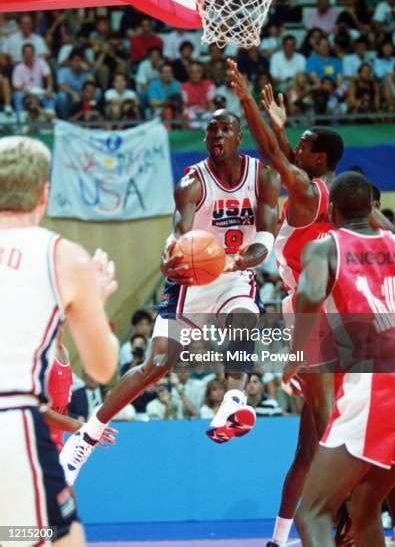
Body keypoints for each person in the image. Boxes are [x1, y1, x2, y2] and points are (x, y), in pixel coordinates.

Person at [59, 108, 281, 484]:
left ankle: (232, 402)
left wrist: (245, 259)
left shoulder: (263, 177)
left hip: (234, 272)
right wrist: (169, 252)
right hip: (193, 277)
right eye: (211, 130)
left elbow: (266, 234)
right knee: (159, 362)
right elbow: (179, 231)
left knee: (245, 319)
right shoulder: (193, 182)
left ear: (239, 137)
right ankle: (88, 434)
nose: (217, 135)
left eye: (225, 129)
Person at [228, 62, 342, 547]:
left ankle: (342, 529)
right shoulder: (336, 194)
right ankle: (283, 537)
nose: (296, 146)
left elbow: (272, 154)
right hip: (333, 316)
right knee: (311, 443)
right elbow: (285, 150)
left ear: (317, 159)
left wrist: (247, 99)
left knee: (327, 442)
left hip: (316, 320)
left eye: (304, 144)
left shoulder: (303, 190)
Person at [283, 171, 395, 546]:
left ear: (330, 211)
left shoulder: (325, 247)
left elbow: (308, 296)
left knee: (312, 514)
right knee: (364, 506)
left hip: (378, 385)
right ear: (373, 208)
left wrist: (294, 357)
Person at [0, 136, 119, 546]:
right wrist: (95, 303)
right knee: (63, 537)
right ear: (44, 194)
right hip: (12, 420)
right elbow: (102, 368)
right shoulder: (63, 257)